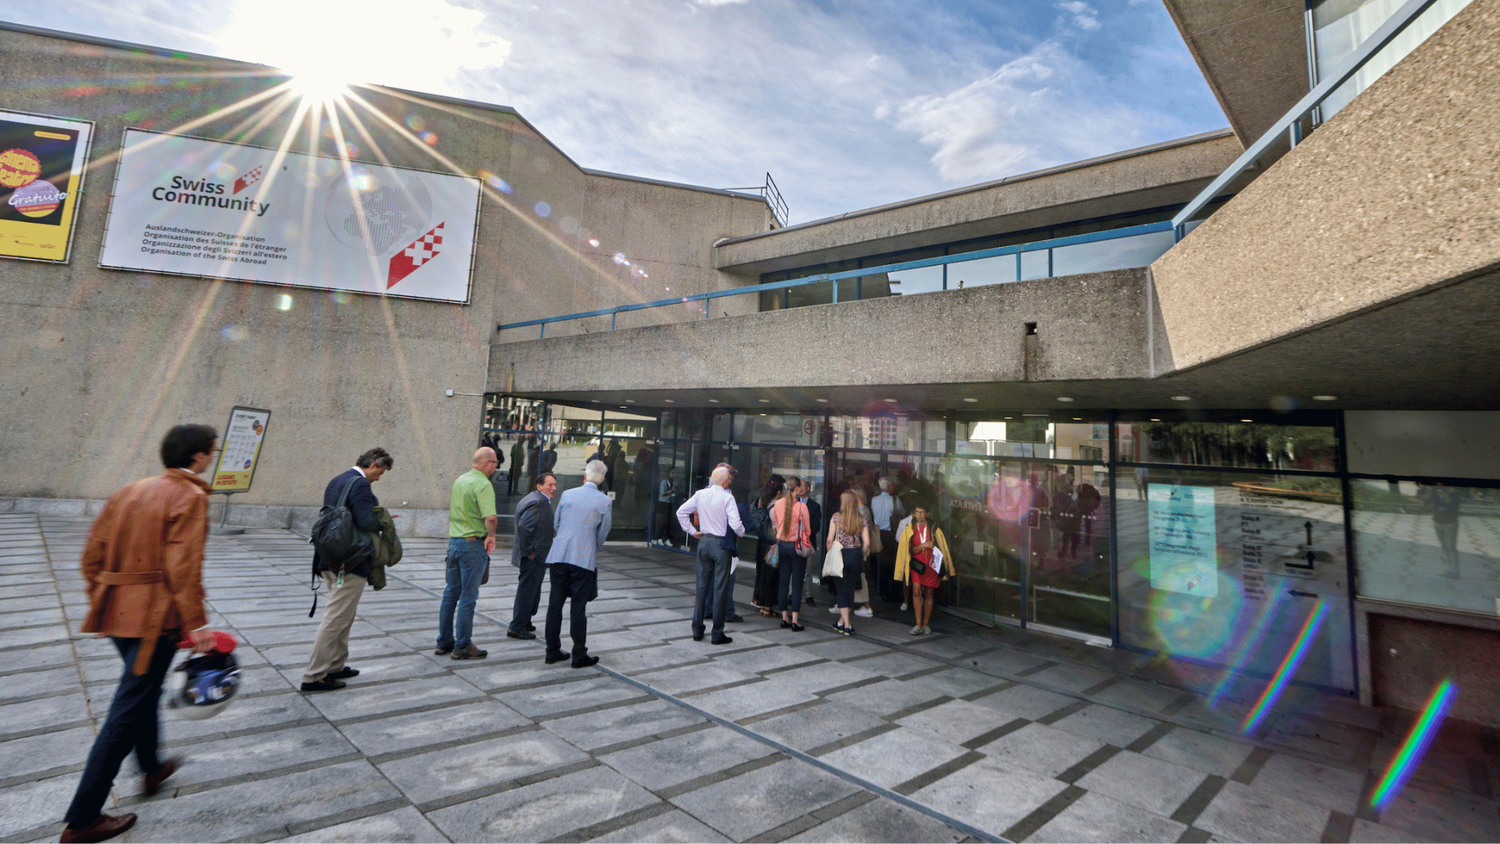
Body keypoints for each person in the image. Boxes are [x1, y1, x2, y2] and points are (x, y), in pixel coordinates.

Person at [61, 424, 220, 844]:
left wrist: (105, 592)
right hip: (157, 619)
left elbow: (90, 556)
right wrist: (197, 624)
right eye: (212, 451)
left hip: (118, 612)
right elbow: (183, 569)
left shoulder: (131, 489)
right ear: (198, 457)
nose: (214, 456)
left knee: (142, 690)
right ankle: (82, 819)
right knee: (127, 707)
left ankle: (151, 769)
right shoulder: (190, 495)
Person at [301, 447, 395, 692]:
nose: (379, 478)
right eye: (380, 472)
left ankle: (335, 665)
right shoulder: (361, 485)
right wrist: (384, 519)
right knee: (335, 617)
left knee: (344, 614)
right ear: (373, 465)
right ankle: (314, 676)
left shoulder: (338, 479)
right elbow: (364, 520)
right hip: (350, 561)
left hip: (330, 558)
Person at [544, 460, 612, 667]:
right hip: (582, 559)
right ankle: (579, 653)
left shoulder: (567, 494)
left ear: (585, 476)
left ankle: (552, 650)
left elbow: (557, 523)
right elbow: (603, 532)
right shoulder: (604, 501)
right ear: (602, 480)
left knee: (555, 605)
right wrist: (592, 546)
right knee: (578, 607)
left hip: (559, 556)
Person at [436, 448, 498, 660]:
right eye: (495, 463)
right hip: (472, 545)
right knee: (468, 598)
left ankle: (444, 642)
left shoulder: (460, 480)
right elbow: (490, 518)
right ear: (487, 463)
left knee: (450, 593)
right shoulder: (483, 484)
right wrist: (491, 536)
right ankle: (462, 646)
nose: (496, 467)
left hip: (454, 543)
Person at [678, 465, 744, 644]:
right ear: (724, 481)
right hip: (720, 544)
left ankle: (697, 629)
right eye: (729, 478)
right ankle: (717, 632)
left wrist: (692, 531)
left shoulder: (700, 494)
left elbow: (681, 512)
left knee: (701, 587)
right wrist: (742, 532)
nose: (730, 481)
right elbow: (736, 524)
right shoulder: (728, 497)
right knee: (720, 589)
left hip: (704, 541)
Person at [507, 472, 557, 640]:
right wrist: (530, 553)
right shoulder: (538, 502)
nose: (553, 488)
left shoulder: (534, 498)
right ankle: (517, 627)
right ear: (539, 486)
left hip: (536, 556)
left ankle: (525, 621)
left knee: (531, 591)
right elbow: (525, 528)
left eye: (555, 485)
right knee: (527, 591)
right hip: (534, 557)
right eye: (550, 485)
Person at [893, 504, 952, 635]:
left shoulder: (934, 529)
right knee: (916, 591)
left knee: (929, 592)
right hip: (917, 565)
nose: (919, 515)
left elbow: (942, 548)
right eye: (917, 512)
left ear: (927, 514)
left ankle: (926, 623)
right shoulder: (910, 529)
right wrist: (923, 545)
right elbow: (910, 550)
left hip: (931, 565)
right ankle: (918, 623)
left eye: (922, 512)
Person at [769, 476, 810, 631]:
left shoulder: (777, 504)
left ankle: (784, 617)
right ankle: (795, 620)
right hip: (796, 546)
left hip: (782, 545)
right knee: (797, 584)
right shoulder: (801, 507)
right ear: (797, 488)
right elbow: (808, 529)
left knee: (783, 582)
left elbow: (776, 523)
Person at [829, 490, 870, 636]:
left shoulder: (836, 518)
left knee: (841, 590)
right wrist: (861, 555)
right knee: (851, 590)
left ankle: (847, 624)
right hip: (855, 555)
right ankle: (841, 622)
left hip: (840, 555)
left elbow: (829, 539)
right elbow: (867, 543)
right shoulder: (861, 519)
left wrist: (830, 554)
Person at [751, 476, 784, 616]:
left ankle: (760, 603)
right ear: (778, 492)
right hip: (773, 545)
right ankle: (767, 607)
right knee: (771, 576)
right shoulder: (777, 505)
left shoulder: (761, 501)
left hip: (761, 543)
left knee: (762, 574)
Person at [872, 477, 899, 601]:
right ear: (889, 487)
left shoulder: (874, 500)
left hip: (877, 534)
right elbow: (902, 513)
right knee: (892, 563)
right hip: (890, 535)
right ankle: (892, 591)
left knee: (880, 563)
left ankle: (881, 590)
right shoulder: (895, 500)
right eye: (892, 486)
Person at [800, 480, 823, 607]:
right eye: (799, 486)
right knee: (794, 569)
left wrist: (805, 534)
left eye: (803, 486)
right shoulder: (794, 503)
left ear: (809, 488)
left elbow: (816, 526)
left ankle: (809, 595)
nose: (801, 488)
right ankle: (792, 593)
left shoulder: (815, 506)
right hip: (794, 541)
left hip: (808, 542)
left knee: (808, 570)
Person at [655, 466, 680, 547]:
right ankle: (659, 538)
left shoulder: (673, 482)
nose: (674, 474)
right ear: (668, 474)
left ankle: (666, 538)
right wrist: (671, 491)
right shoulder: (664, 482)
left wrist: (675, 493)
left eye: (675, 473)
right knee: (663, 521)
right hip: (663, 503)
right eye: (673, 473)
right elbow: (663, 493)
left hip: (669, 503)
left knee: (669, 522)